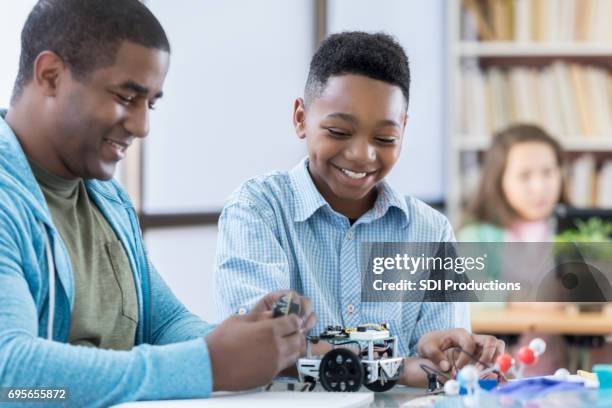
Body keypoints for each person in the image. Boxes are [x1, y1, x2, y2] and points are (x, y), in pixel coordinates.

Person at [0, 1, 314, 406]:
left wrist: (247, 339)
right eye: (126, 97)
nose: (142, 126)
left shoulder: (106, 197)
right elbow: (11, 376)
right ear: (51, 75)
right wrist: (208, 364)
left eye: (150, 104)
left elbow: (163, 322)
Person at [215, 31, 504, 386]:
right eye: (338, 131)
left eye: (384, 139)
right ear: (301, 118)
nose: (362, 155)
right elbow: (259, 348)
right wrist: (396, 366)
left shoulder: (432, 231)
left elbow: (439, 372)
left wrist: (445, 357)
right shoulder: (258, 210)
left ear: (404, 131)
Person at [459, 124, 567, 375]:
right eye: (525, 175)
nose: (539, 187)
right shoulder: (477, 235)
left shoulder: (578, 232)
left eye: (548, 172)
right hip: (499, 375)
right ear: (499, 180)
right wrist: (518, 299)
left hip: (565, 371)